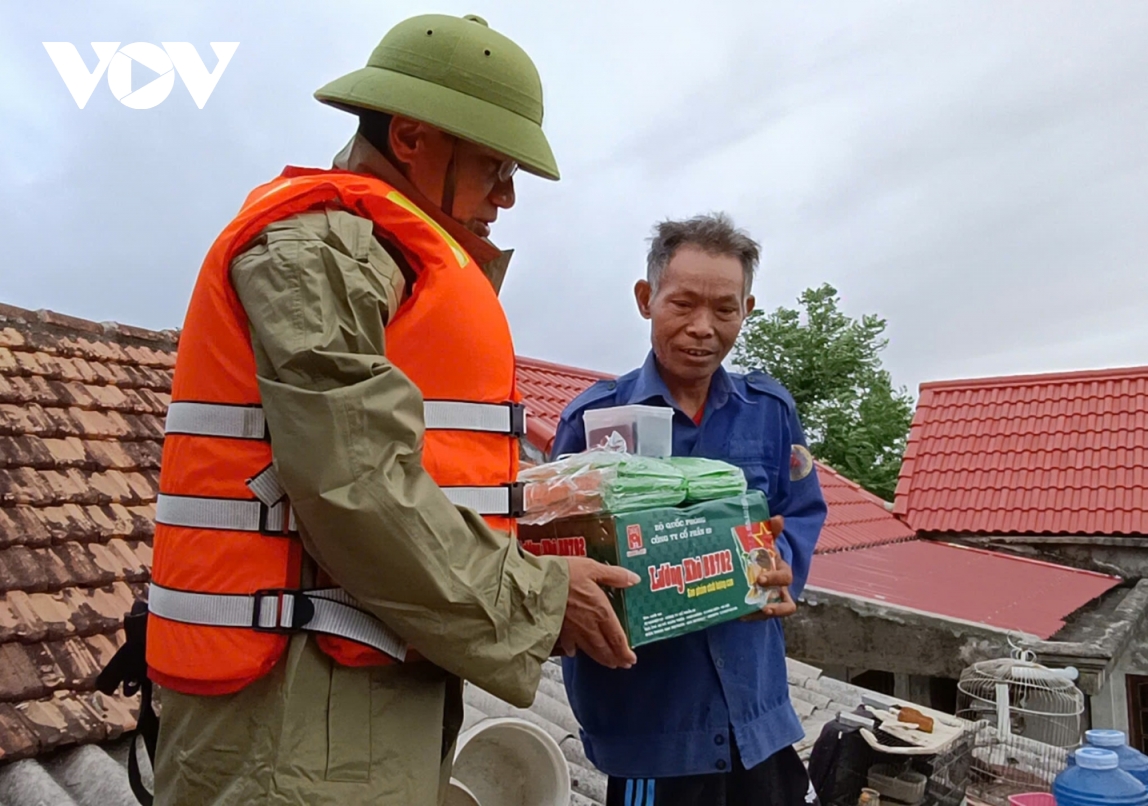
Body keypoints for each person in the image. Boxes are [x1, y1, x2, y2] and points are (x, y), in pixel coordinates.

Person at [136, 14, 637, 805]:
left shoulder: (373, 252)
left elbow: (409, 476)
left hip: (343, 705)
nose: (506, 199)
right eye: (495, 168)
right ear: (409, 137)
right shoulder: (320, 249)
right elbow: (356, 487)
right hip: (298, 724)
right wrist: (538, 597)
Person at [552, 213, 828, 806]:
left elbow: (799, 512)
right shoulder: (593, 424)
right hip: (653, 726)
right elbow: (555, 547)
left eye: (725, 310)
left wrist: (780, 568)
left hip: (755, 717)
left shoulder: (769, 411)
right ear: (646, 299)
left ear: (747, 309)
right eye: (683, 305)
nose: (703, 328)